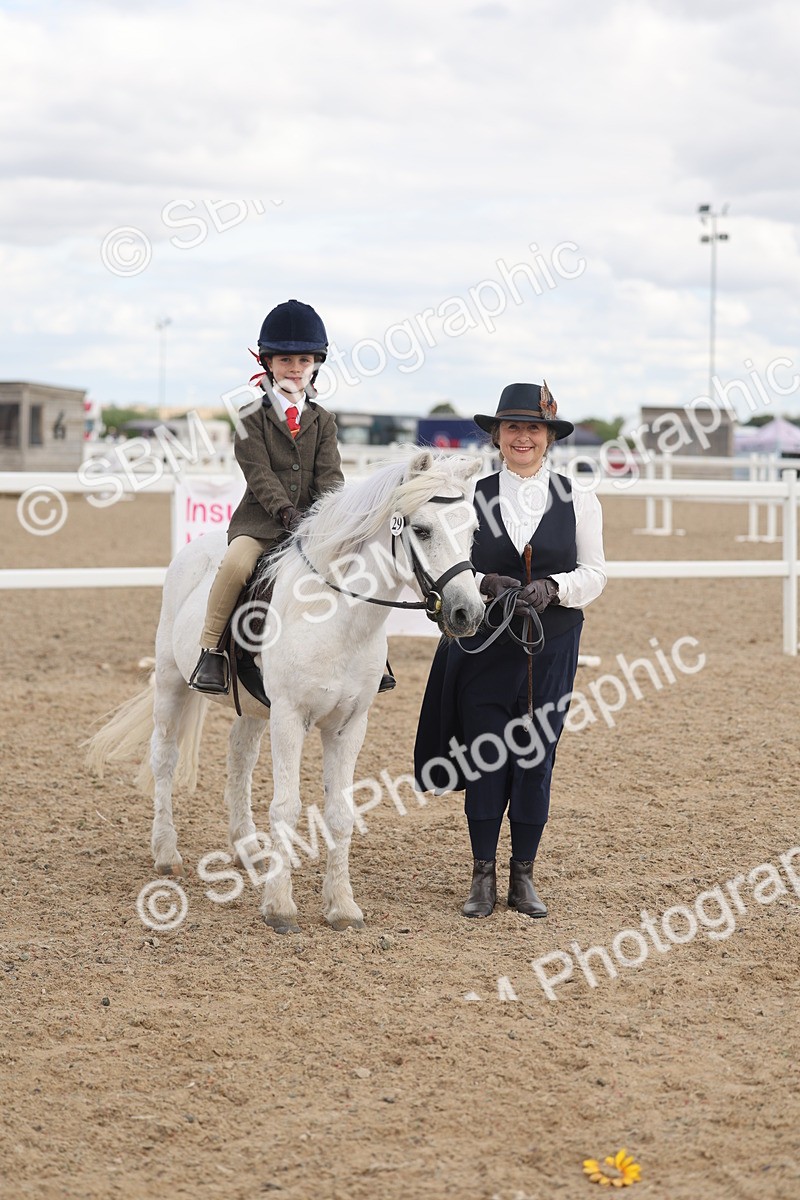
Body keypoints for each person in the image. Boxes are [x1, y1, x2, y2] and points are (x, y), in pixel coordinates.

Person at [413, 382, 606, 919]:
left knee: (536, 758)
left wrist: (554, 588)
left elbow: (595, 572)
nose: (523, 437)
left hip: (552, 646)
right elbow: (448, 563)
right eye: (513, 428)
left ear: (548, 437)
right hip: (485, 644)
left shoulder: (579, 498)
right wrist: (485, 581)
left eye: (534, 429)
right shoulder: (468, 494)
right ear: (497, 436)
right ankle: (482, 874)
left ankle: (523, 874)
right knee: (485, 756)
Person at [189, 299, 344, 696]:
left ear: (315, 364)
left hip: (310, 526)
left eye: (303, 361)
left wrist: (331, 517)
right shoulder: (248, 419)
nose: (295, 370)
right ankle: (211, 650)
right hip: (260, 523)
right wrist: (285, 512)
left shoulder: (323, 421)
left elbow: (329, 477)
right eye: (286, 362)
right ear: (269, 363)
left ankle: (371, 660)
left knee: (350, 566)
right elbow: (258, 474)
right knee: (236, 564)